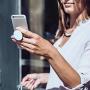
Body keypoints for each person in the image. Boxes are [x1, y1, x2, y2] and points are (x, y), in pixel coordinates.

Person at [11, 0, 90, 89]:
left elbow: (80, 84)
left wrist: (49, 52)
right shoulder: (64, 32)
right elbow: (72, 69)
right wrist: (45, 77)